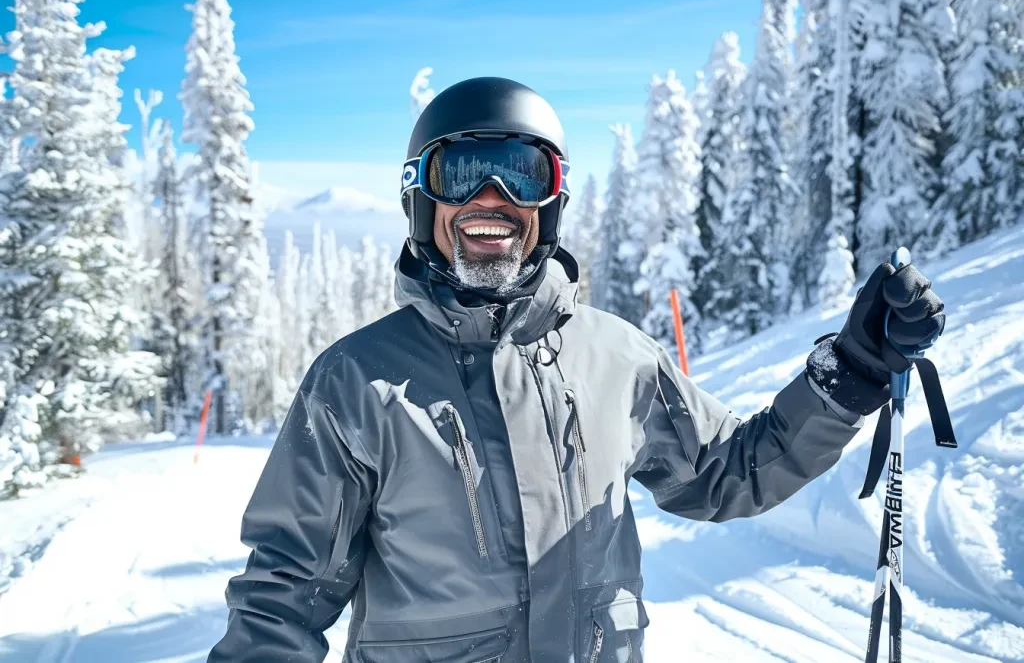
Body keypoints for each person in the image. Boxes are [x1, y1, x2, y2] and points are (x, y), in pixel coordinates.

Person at [207, 77, 945, 663]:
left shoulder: (615, 356)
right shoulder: (355, 382)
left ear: (551, 201)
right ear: (420, 195)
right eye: (461, 171)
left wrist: (847, 371)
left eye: (522, 175)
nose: (490, 199)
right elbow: (283, 599)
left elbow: (728, 470)